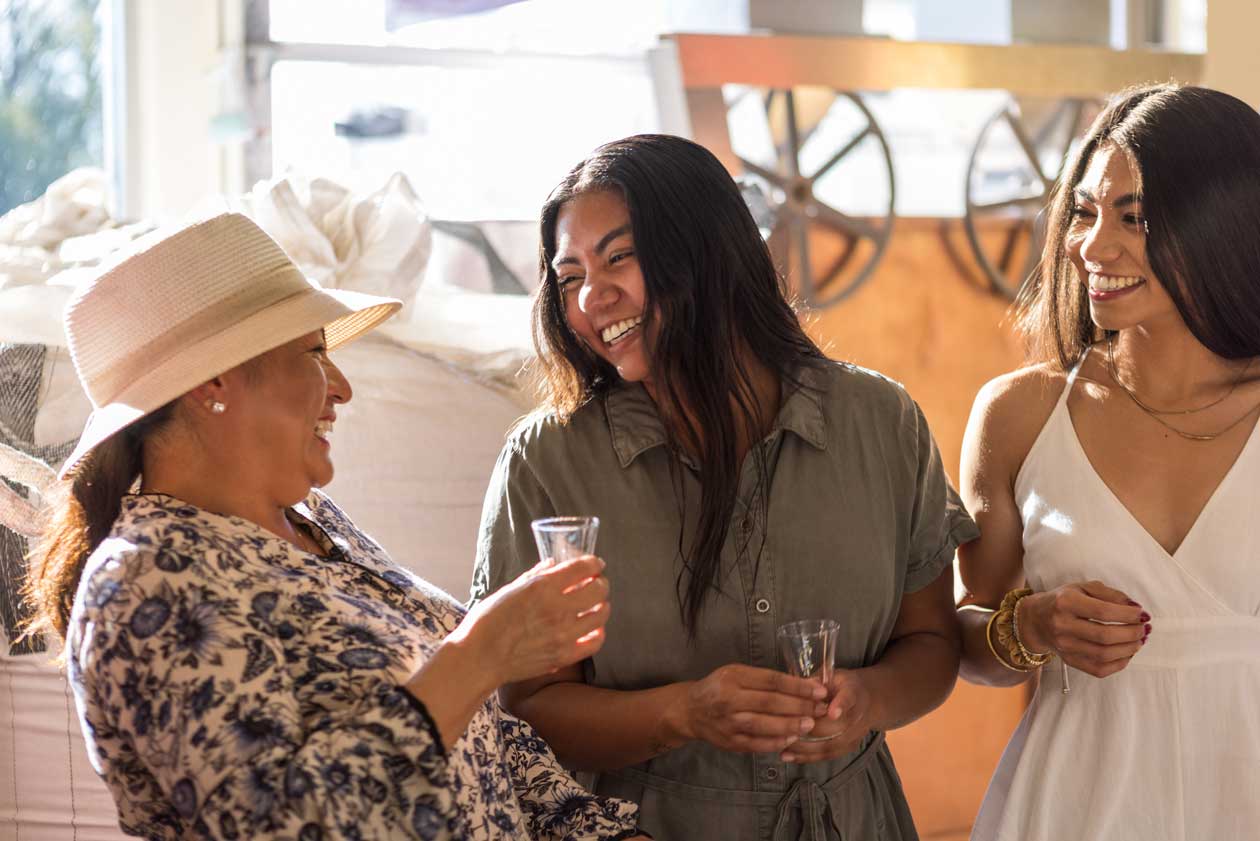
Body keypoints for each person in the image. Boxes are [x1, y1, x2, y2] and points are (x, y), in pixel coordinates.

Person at [24, 213, 647, 841]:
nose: (341, 387)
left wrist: (596, 830)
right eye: (315, 352)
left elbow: (484, 738)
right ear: (214, 380)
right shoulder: (143, 583)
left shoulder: (314, 525)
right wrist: (479, 655)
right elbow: (281, 826)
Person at [470, 134, 978, 841]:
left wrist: (869, 700)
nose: (591, 296)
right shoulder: (547, 463)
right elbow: (523, 710)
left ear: (707, 249)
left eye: (619, 255)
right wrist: (683, 712)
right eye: (569, 276)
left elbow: (931, 640)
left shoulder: (880, 421)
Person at [958, 83, 1260, 840]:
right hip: (1077, 804)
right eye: (1086, 211)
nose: (1091, 246)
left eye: (1135, 218)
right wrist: (1030, 625)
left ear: (1226, 223)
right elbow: (953, 635)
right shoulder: (1022, 415)